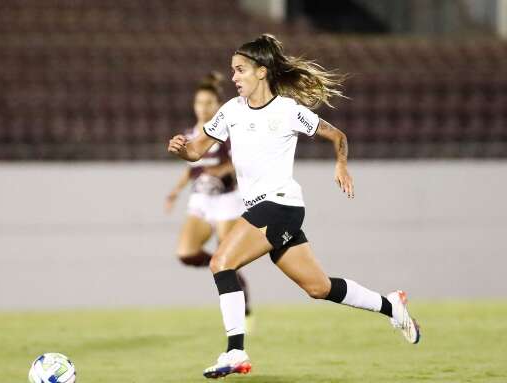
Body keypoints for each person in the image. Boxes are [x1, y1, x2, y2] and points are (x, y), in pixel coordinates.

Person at [167, 34, 420, 379]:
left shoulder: (288, 111)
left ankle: (235, 351)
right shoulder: (231, 111)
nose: (235, 77)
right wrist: (182, 148)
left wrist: (341, 165)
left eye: (240, 70)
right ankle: (392, 305)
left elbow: (337, 136)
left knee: (221, 262)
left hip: (280, 206)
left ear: (261, 71)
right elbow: (196, 151)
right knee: (319, 288)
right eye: (233, 71)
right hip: (264, 209)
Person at [165, 72, 252, 319]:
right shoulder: (190, 133)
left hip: (227, 201)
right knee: (186, 253)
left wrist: (220, 170)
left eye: (208, 103)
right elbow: (191, 168)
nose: (203, 108)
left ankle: (240, 311)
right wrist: (175, 190)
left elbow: (240, 160)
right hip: (201, 201)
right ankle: (226, 272)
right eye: (199, 103)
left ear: (218, 105)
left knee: (229, 259)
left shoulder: (228, 131)